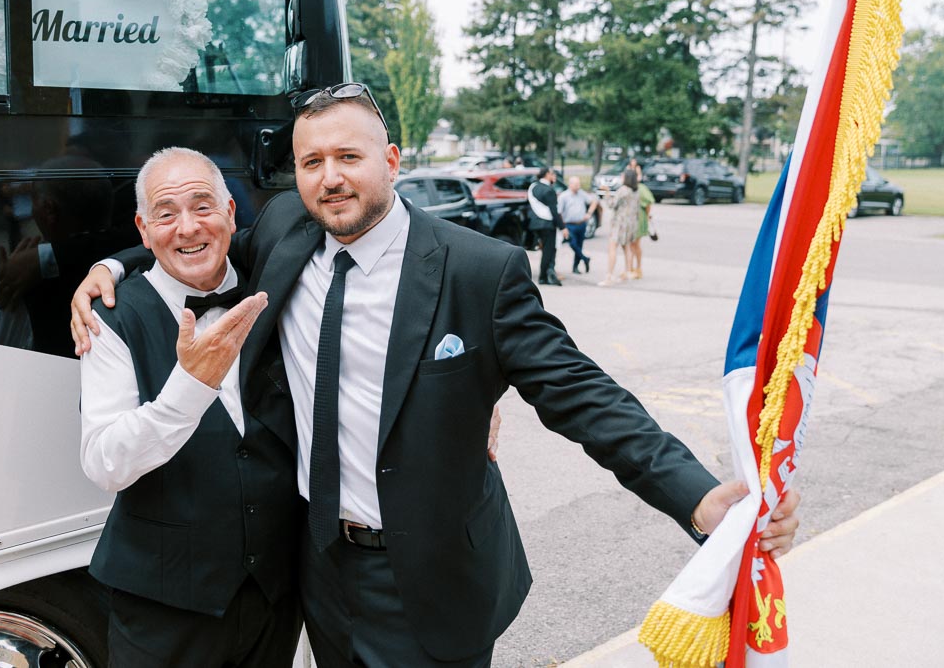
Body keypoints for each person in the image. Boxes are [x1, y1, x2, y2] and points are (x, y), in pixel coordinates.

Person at [73, 85, 800, 667]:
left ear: (391, 159)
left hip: (430, 574)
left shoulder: (478, 270)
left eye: (349, 156)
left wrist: (696, 497)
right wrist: (111, 267)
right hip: (319, 570)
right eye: (311, 161)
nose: (331, 178)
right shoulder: (289, 233)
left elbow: (580, 393)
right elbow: (192, 242)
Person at [78, 147, 300, 668]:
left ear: (230, 212)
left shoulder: (276, 280)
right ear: (143, 228)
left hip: (273, 594)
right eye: (165, 214)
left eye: (202, 206)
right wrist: (189, 388)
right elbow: (104, 463)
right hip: (163, 605)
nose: (187, 227)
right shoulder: (111, 317)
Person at [599, 167, 640, 287]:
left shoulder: (623, 190)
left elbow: (611, 204)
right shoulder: (636, 191)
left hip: (619, 223)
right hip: (631, 223)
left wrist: (607, 193)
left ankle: (609, 276)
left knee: (612, 247)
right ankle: (627, 271)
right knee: (626, 247)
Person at [527, 166, 566, 286]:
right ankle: (543, 277)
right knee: (548, 252)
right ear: (547, 174)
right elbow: (554, 212)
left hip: (535, 223)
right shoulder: (549, 190)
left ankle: (547, 275)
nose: (554, 176)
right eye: (552, 174)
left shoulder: (533, 186)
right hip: (547, 224)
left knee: (545, 250)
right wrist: (562, 227)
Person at [557, 175, 598, 275]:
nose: (578, 186)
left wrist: (589, 213)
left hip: (581, 224)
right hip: (569, 225)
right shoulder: (564, 196)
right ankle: (585, 258)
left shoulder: (581, 193)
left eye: (579, 184)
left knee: (579, 245)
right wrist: (562, 226)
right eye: (576, 184)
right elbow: (559, 212)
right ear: (570, 184)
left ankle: (576, 266)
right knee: (573, 244)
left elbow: (594, 201)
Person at [629, 164, 655, 280]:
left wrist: (647, 216)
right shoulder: (628, 188)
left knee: (635, 244)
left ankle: (638, 268)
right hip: (629, 219)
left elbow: (649, 203)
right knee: (630, 245)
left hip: (639, 219)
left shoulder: (641, 188)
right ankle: (630, 268)